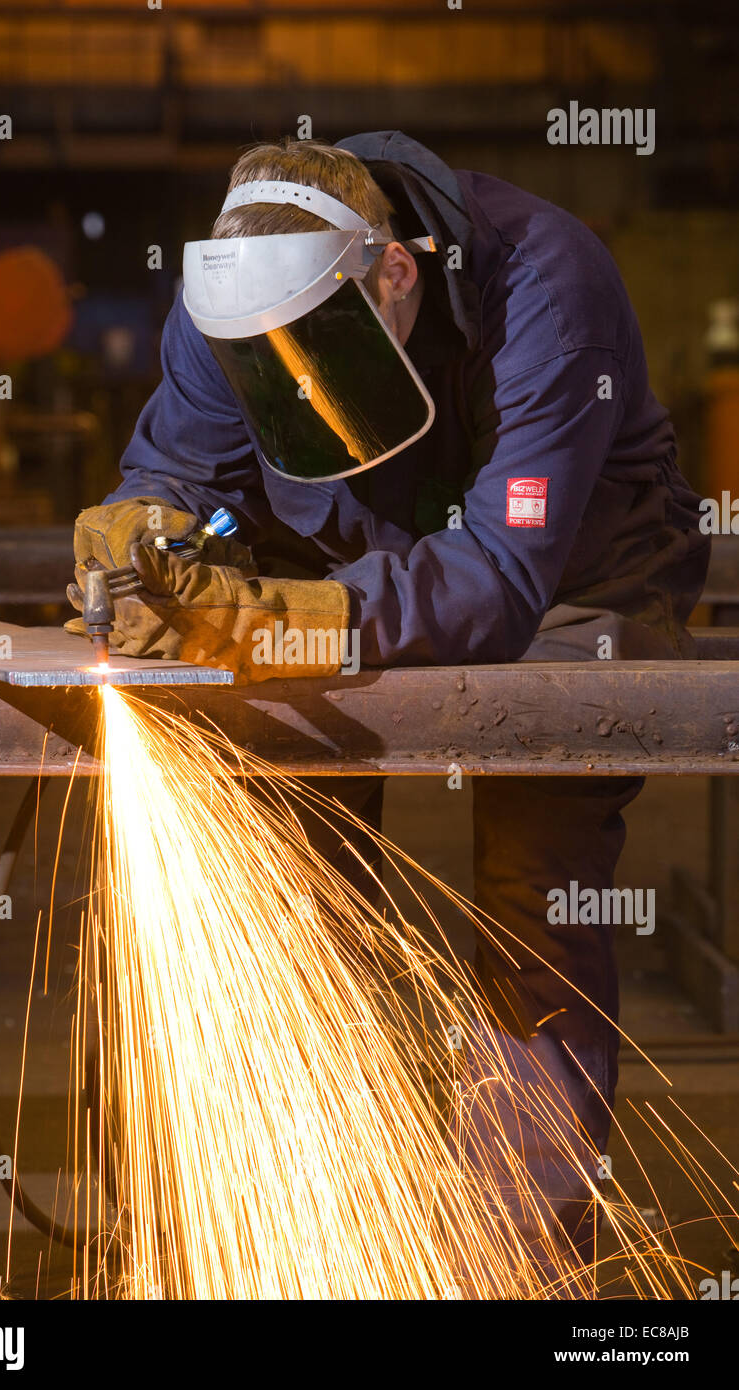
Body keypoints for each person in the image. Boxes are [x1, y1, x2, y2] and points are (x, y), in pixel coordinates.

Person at [69, 133, 709, 1281]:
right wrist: (141, 531)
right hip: (342, 555)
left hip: (570, 576)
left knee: (536, 889)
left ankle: (517, 1266)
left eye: (314, 355)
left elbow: (499, 584)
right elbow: (174, 475)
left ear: (395, 277)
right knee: (298, 874)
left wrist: (267, 619)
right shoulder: (229, 298)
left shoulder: (548, 288)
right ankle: (323, 1229)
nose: (294, 386)